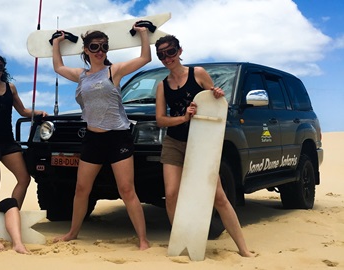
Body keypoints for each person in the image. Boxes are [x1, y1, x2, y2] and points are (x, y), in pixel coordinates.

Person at [51, 23, 152, 250]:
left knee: (127, 190)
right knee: (81, 189)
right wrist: (56, 43)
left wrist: (144, 34)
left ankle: (143, 240)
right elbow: (58, 67)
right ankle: (72, 233)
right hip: (92, 139)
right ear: (86, 50)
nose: (100, 51)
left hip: (118, 137)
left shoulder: (113, 71)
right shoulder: (81, 76)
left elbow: (145, 58)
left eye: (104, 47)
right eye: (94, 46)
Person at [154, 35, 255, 257]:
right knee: (171, 195)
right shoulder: (162, 86)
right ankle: (180, 243)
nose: (166, 58)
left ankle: (243, 249)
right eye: (161, 54)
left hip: (201, 142)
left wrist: (218, 94)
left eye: (170, 52)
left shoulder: (197, 73)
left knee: (218, 196)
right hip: (173, 142)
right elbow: (161, 119)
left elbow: (216, 103)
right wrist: (183, 118)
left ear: (180, 51)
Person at [0, 53, 47, 210]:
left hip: (8, 142)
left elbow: (23, 111)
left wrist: (39, 112)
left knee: (24, 178)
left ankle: (12, 214)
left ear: (3, 68)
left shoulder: (10, 88)